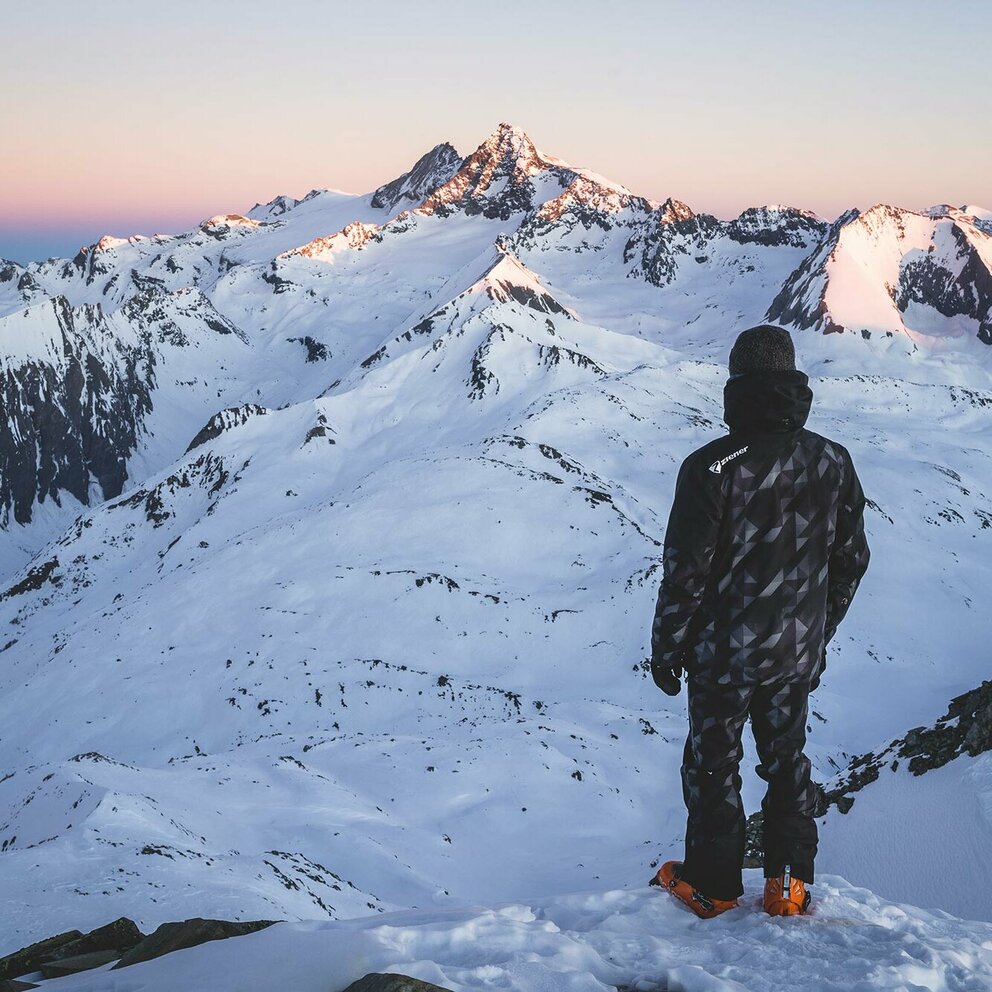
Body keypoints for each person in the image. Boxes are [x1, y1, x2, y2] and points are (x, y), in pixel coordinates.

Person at [647, 324, 870, 918]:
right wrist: (816, 634)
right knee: (787, 759)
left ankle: (714, 887)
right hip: (795, 654)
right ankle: (788, 889)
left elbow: (685, 573)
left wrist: (666, 649)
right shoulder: (833, 459)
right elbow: (851, 560)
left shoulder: (712, 468)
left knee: (713, 762)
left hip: (723, 657)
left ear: (735, 383)